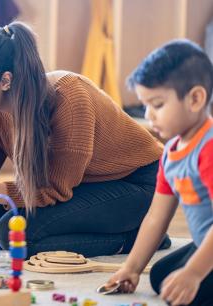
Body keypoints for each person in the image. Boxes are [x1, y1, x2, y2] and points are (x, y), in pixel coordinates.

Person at [0, 21, 170, 258]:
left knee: (15, 236)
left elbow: (52, 189)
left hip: (141, 185)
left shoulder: (69, 98)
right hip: (83, 185)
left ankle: (136, 238)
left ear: (5, 81)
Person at [106, 40, 213, 306]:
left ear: (195, 99)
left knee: (191, 289)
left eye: (158, 104)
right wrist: (131, 268)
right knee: (162, 277)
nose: (149, 115)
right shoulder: (171, 152)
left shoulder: (208, 149)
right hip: (206, 243)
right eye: (145, 105)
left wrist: (193, 273)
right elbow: (156, 217)